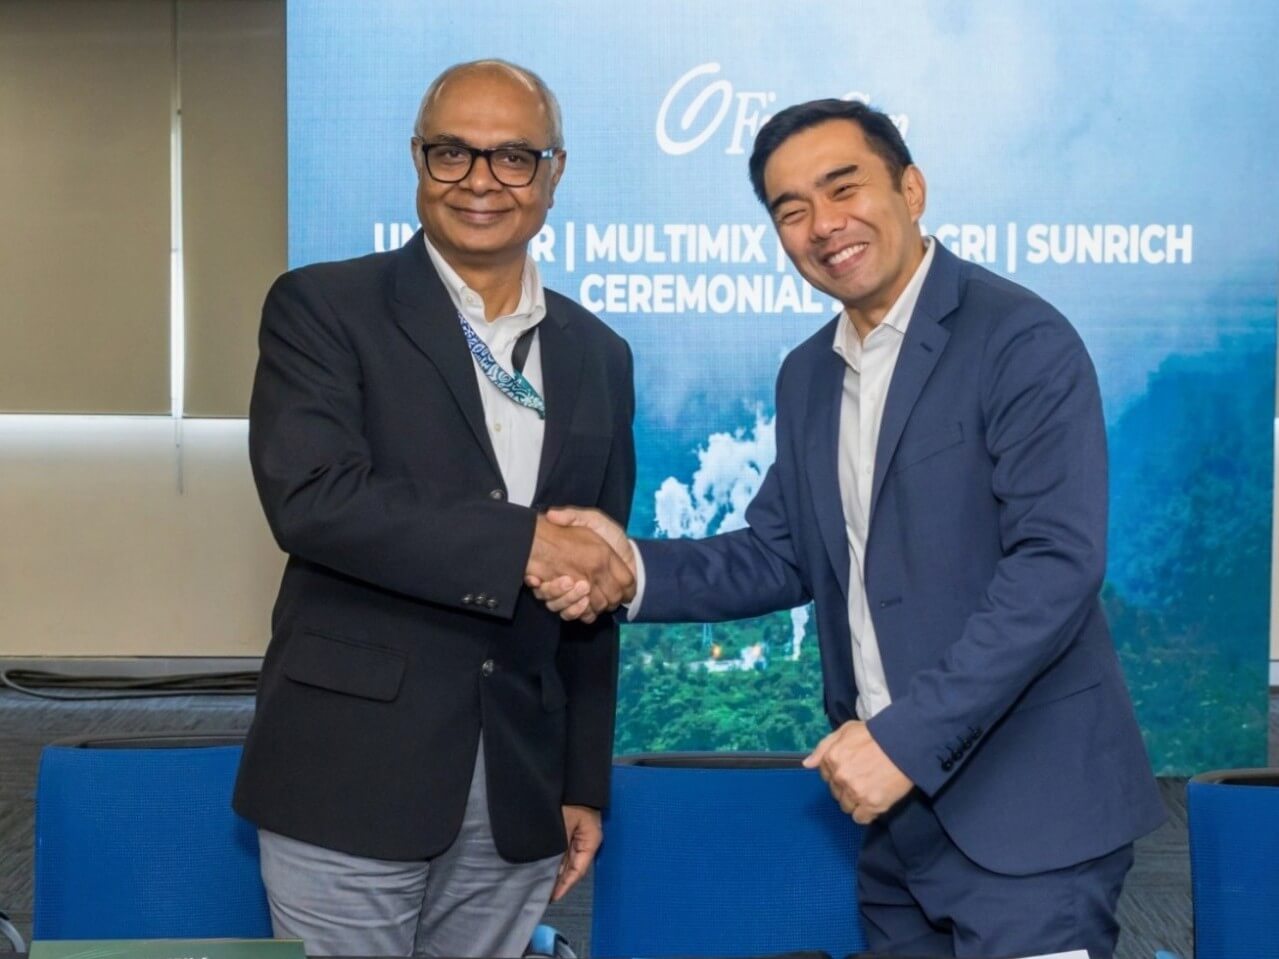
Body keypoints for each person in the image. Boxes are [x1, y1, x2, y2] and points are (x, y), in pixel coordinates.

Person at [533, 99, 1164, 958]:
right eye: (790, 210)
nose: (822, 225)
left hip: (1031, 825)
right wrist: (626, 568)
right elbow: (779, 549)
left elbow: (1054, 567)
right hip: (896, 830)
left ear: (910, 187)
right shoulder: (809, 375)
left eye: (843, 188)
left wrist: (900, 741)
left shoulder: (1018, 337)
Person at [233, 59, 636, 958]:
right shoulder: (325, 306)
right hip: (349, 774)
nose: (480, 181)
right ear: (417, 160)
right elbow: (313, 499)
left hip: (519, 794)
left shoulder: (598, 353)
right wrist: (525, 542)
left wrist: (581, 781)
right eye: (452, 153)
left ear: (554, 172)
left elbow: (592, 592)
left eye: (512, 157)